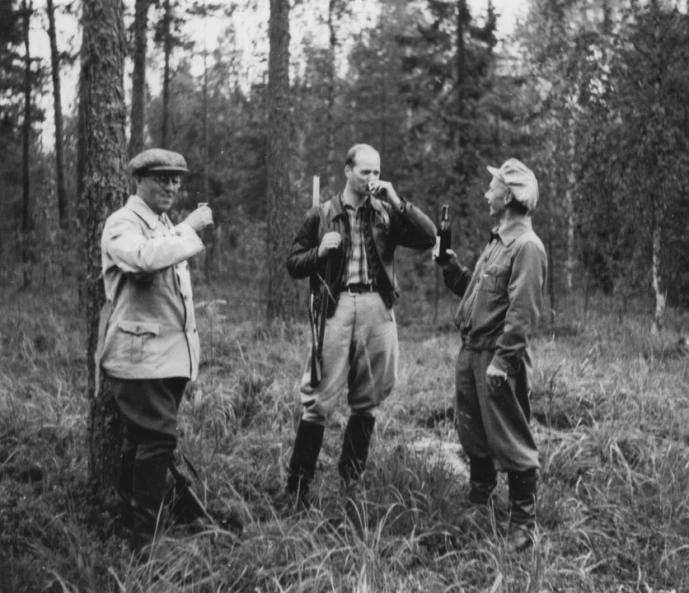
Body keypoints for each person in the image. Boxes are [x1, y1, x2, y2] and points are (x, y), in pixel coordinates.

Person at [284, 143, 436, 514]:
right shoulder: (322, 214)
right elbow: (293, 263)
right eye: (365, 172)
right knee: (319, 398)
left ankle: (351, 480)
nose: (372, 179)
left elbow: (428, 237)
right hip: (335, 307)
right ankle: (298, 490)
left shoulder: (386, 212)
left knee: (368, 397)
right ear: (348, 172)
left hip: (376, 305)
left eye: (376, 172)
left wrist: (398, 201)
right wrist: (319, 251)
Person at [99, 148, 214, 554]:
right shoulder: (122, 224)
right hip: (136, 357)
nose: (171, 186)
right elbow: (145, 260)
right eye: (161, 178)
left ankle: (126, 516)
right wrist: (187, 228)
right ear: (139, 181)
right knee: (159, 438)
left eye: (176, 179)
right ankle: (143, 542)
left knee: (140, 440)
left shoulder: (162, 223)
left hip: (166, 358)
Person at [436, 158, 547, 552]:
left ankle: (522, 522)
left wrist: (503, 361)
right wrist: (452, 269)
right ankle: (480, 501)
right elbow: (476, 296)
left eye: (493, 187)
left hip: (497, 356)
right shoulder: (497, 241)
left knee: (510, 436)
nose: (488, 193)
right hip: (471, 351)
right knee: (474, 433)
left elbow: (522, 313)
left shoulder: (527, 247)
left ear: (510, 196)